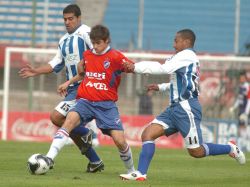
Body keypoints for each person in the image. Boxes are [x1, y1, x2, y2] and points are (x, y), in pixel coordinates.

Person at [119, 29, 246, 181]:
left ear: (186, 42)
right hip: (174, 108)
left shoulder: (186, 55)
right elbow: (180, 82)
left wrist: (135, 67)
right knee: (147, 134)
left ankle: (230, 148)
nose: (173, 44)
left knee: (196, 151)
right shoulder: (183, 57)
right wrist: (160, 87)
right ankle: (141, 173)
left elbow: (163, 68)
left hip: (186, 109)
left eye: (176, 41)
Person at [19, 4, 103, 172]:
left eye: (70, 19)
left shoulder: (86, 33)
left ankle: (56, 154)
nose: (67, 22)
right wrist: (36, 71)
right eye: (65, 19)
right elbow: (55, 63)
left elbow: (99, 53)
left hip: (88, 86)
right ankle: (94, 160)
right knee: (59, 119)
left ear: (79, 18)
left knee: (58, 117)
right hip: (74, 89)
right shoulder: (63, 40)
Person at [43, 24, 135, 174]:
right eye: (93, 43)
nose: (95, 46)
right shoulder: (87, 55)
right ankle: (49, 158)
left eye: (98, 43)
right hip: (85, 101)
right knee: (68, 121)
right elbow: (82, 73)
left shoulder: (116, 57)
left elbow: (132, 67)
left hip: (106, 105)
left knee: (119, 141)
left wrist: (134, 68)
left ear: (107, 41)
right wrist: (68, 82)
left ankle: (132, 171)